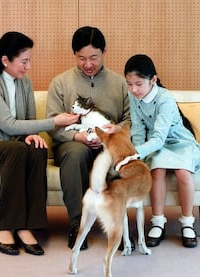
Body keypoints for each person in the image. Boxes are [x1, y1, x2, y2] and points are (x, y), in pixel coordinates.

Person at [0, 32, 79, 256]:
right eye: (24, 61)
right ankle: (3, 226)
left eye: (29, 60)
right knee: (16, 151)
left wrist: (30, 136)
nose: (28, 66)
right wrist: (55, 121)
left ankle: (26, 226)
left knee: (37, 149)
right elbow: (9, 124)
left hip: (11, 147)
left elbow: (28, 122)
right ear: (5, 60)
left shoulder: (24, 82)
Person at [46, 26, 131, 250]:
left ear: (105, 52)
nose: (88, 64)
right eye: (81, 58)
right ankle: (77, 225)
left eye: (94, 57)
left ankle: (117, 226)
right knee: (75, 155)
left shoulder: (120, 83)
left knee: (116, 159)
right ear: (75, 55)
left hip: (110, 143)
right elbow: (52, 124)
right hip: (73, 144)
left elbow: (130, 119)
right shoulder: (60, 82)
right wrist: (77, 136)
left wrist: (114, 132)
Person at [124, 54, 200, 248]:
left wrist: (135, 153)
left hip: (179, 142)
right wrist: (138, 156)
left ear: (153, 80)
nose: (134, 89)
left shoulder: (165, 99)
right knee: (156, 171)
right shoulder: (133, 96)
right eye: (129, 84)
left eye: (139, 84)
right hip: (156, 144)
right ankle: (158, 222)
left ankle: (187, 223)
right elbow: (137, 128)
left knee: (183, 173)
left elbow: (159, 138)